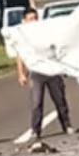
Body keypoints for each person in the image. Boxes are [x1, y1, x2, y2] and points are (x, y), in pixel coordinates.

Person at [14, 8, 71, 144]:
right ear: (24, 21)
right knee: (36, 102)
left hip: (52, 70)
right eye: (30, 19)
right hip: (36, 72)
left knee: (60, 100)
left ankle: (66, 125)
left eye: (35, 18)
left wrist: (63, 67)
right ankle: (35, 130)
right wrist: (21, 74)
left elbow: (56, 48)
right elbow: (20, 56)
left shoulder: (45, 32)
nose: (33, 21)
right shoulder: (22, 36)